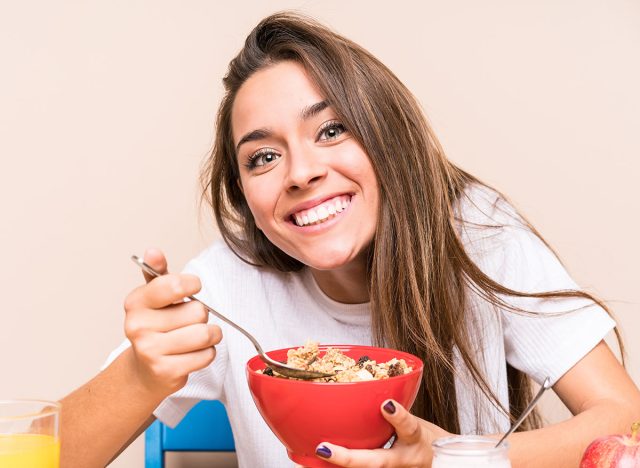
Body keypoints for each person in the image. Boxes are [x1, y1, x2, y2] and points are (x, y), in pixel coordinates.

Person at [59, 12, 640, 467]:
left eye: (331, 129)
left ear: (387, 135)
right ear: (246, 202)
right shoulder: (223, 288)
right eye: (263, 157)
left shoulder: (478, 233)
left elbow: (626, 418)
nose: (300, 172)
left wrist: (453, 460)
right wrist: (140, 374)